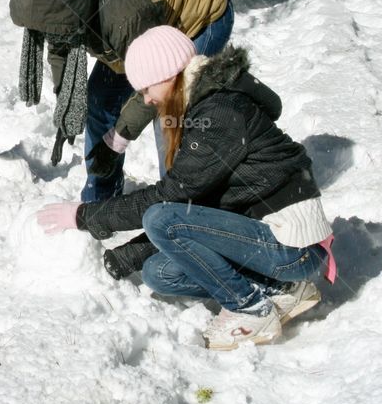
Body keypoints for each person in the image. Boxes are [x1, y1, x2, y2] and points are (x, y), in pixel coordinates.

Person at [36, 26, 335, 350]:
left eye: (148, 88)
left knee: (160, 219)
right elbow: (198, 206)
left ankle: (251, 308)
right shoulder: (200, 105)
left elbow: (173, 199)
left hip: (292, 246)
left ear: (169, 75)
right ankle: (281, 290)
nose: (147, 99)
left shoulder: (219, 110)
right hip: (267, 236)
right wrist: (130, 256)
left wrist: (84, 216)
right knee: (158, 272)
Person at [10, 0, 234, 203]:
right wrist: (66, 104)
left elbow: (155, 88)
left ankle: (181, 208)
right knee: (100, 101)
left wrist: (114, 143)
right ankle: (101, 201)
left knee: (170, 115)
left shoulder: (128, 19)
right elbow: (61, 42)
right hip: (134, 19)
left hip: (202, 17)